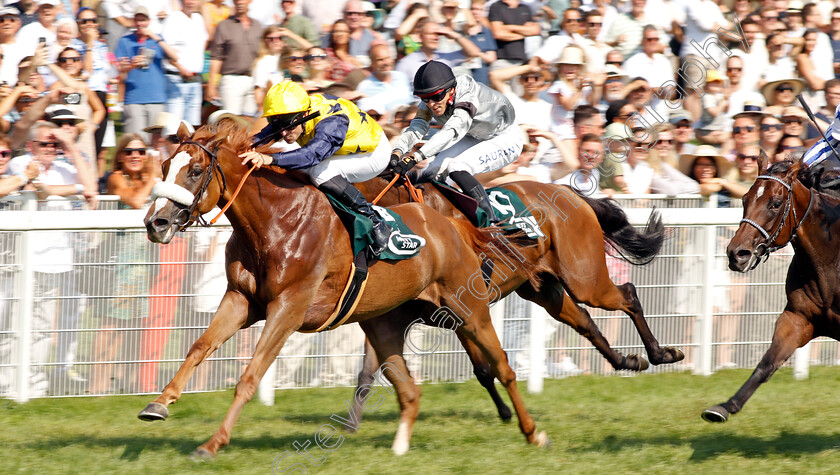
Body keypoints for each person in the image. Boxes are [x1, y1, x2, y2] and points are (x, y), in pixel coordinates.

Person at [239, 80, 394, 255]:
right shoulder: (292, 114)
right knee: (297, 170)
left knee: (320, 172)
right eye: (278, 125)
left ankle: (374, 221)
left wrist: (270, 158)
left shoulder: (332, 122)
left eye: (289, 125)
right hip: (343, 148)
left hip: (373, 152)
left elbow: (311, 156)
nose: (283, 133)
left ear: (305, 114)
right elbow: (260, 138)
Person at [389, 60, 523, 225]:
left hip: (505, 137)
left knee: (457, 167)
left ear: (451, 90)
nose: (431, 104)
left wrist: (416, 157)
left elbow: (452, 131)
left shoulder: (467, 91)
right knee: (432, 172)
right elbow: (417, 128)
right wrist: (397, 151)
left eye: (437, 96)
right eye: (425, 99)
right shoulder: (431, 101)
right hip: (474, 134)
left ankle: (491, 224)